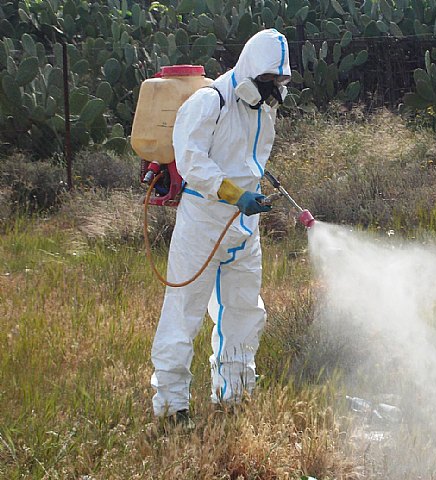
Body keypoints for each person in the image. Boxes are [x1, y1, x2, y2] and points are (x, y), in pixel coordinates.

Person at [150, 29, 291, 427]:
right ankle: (171, 406)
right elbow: (192, 161)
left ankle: (235, 395)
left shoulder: (264, 106)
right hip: (204, 221)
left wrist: (253, 190)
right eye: (268, 81)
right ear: (250, 70)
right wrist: (232, 193)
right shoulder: (208, 101)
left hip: (245, 224)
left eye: (280, 82)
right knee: (184, 312)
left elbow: (245, 155)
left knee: (245, 309)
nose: (273, 90)